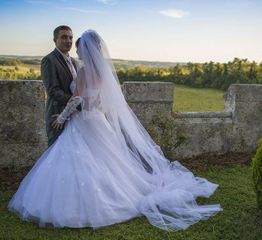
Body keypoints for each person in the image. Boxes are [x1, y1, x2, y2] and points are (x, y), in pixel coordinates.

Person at [8, 30, 222, 231]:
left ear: (87, 50)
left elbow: (77, 100)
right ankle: (116, 195)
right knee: (106, 162)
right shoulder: (101, 73)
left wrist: (61, 118)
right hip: (97, 120)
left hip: (83, 120)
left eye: (79, 46)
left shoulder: (83, 71)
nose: (76, 50)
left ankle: (86, 204)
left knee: (85, 160)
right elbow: (98, 101)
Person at [41, 25, 79, 146]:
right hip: (57, 114)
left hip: (75, 115)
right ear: (55, 40)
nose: (68, 41)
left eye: (70, 38)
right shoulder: (49, 60)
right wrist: (78, 102)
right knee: (56, 152)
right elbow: (53, 90)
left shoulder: (74, 61)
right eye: (64, 37)